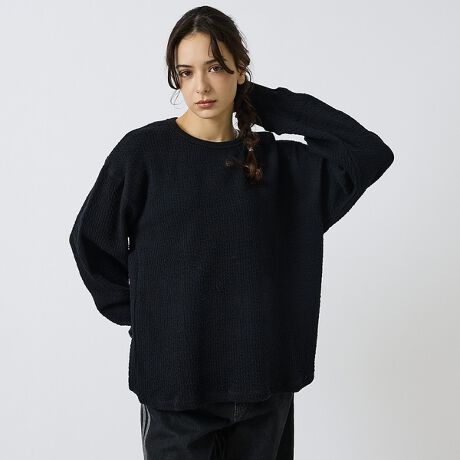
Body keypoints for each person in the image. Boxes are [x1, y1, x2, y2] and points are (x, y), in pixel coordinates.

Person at [68, 5, 394, 459]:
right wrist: (146, 320)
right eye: (186, 72)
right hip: (176, 388)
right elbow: (91, 241)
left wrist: (259, 101)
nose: (200, 86)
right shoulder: (143, 154)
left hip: (264, 386)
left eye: (216, 67)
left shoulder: (280, 165)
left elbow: (367, 152)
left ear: (241, 70)